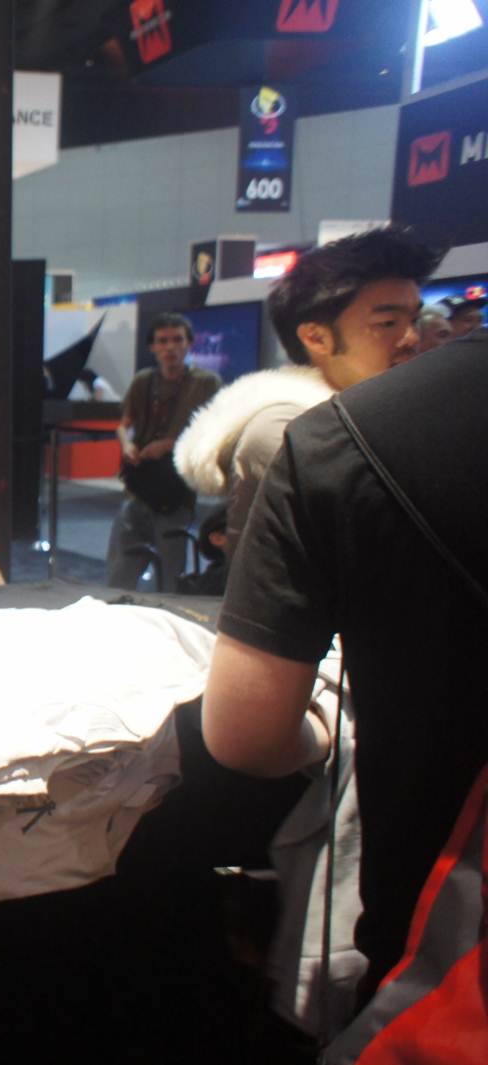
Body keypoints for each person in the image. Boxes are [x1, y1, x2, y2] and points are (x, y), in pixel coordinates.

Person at [201, 334, 488, 1010]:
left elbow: (245, 734)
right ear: (316, 332)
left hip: (439, 935)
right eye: (387, 316)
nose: (409, 334)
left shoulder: (339, 438)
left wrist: (320, 736)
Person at [176, 227, 443, 558]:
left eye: (414, 320)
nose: (411, 339)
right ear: (316, 338)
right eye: (387, 323)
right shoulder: (288, 432)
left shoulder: (370, 418)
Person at [105, 313, 221, 591]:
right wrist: (127, 445)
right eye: (162, 341)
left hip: (176, 489)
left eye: (177, 340)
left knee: (172, 575)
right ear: (152, 347)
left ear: (189, 344)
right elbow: (124, 426)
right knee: (121, 569)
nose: (170, 347)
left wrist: (169, 444)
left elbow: (213, 429)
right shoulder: (143, 381)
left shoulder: (206, 383)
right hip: (139, 486)